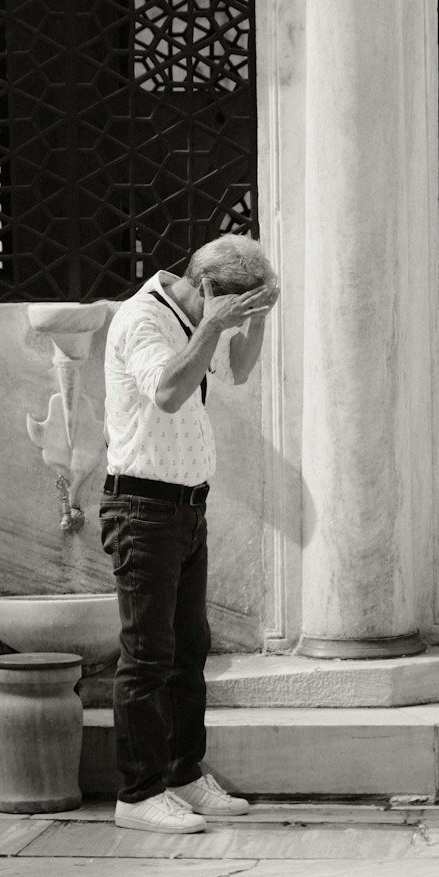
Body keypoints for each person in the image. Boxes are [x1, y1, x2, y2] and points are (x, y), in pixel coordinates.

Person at [100, 233, 280, 833]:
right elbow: (171, 392)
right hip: (142, 510)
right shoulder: (143, 321)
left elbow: (238, 369)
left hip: (185, 510)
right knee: (147, 654)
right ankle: (137, 794)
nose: (231, 322)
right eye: (232, 307)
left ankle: (182, 775)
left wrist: (250, 322)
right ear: (205, 288)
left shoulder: (190, 316)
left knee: (187, 650)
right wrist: (215, 324)